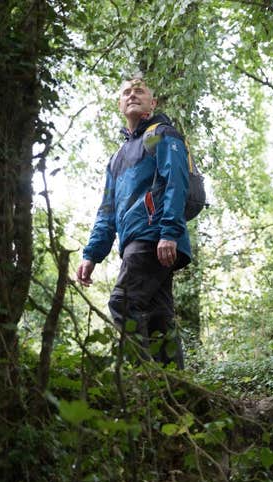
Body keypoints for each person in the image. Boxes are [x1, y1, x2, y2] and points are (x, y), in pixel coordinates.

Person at [76, 77, 191, 370]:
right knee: (159, 317)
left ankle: (144, 381)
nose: (132, 95)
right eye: (126, 92)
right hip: (134, 241)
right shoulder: (116, 159)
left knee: (123, 302)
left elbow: (176, 182)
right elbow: (107, 211)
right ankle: (177, 392)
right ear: (119, 104)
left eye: (139, 91)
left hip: (153, 237)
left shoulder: (158, 135)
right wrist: (92, 254)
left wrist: (169, 233)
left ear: (152, 104)